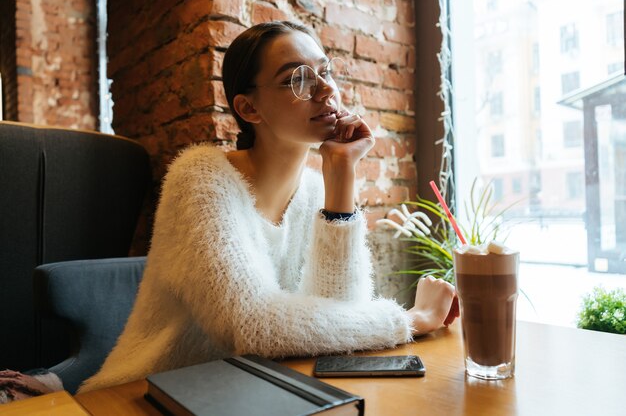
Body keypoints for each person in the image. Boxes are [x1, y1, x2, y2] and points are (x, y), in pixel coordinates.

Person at [73, 21, 457, 392]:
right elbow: (252, 327)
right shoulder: (201, 178)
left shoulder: (311, 190)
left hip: (244, 392)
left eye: (325, 72)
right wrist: (409, 319)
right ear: (249, 108)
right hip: (142, 394)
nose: (326, 89)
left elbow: (341, 311)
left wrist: (341, 172)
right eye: (298, 78)